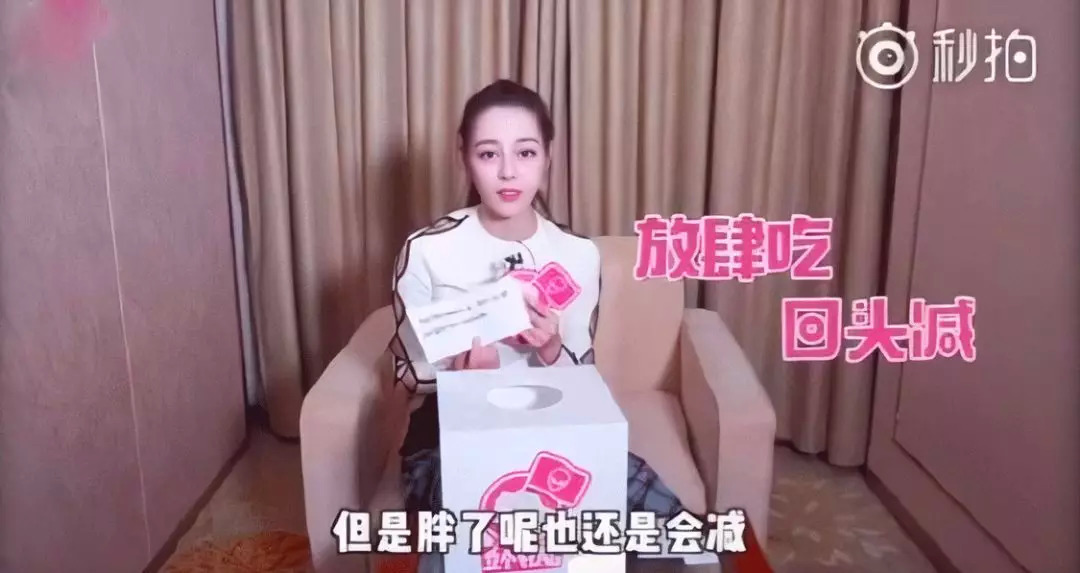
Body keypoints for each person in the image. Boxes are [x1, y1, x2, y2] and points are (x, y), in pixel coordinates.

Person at [387, 79, 690, 568]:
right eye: (489, 154)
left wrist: (551, 351)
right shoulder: (426, 250)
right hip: (448, 435)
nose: (508, 171)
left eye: (525, 152)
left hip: (555, 426)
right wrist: (462, 375)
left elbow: (583, 376)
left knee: (669, 531)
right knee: (470, 544)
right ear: (464, 156)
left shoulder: (577, 254)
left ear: (548, 155)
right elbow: (407, 372)